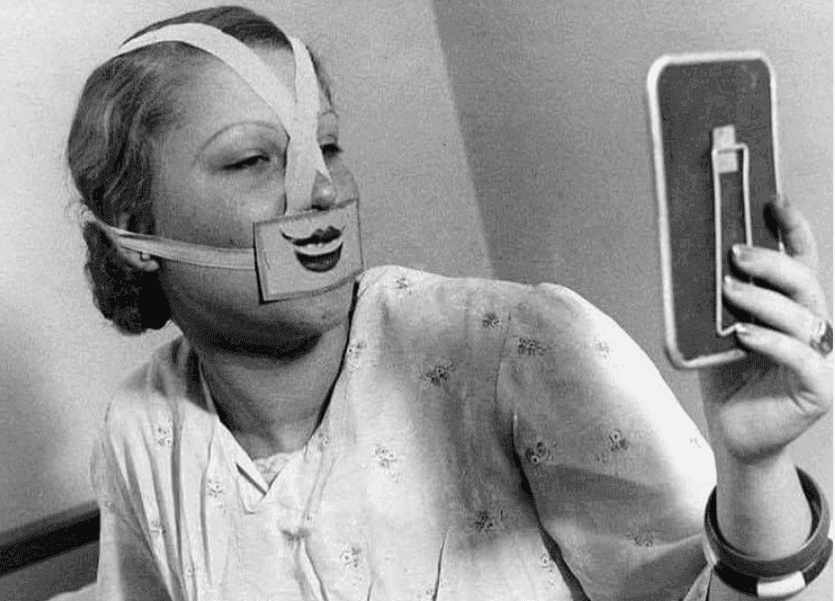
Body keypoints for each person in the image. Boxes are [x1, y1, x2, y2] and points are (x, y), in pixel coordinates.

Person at [69, 6, 832, 601]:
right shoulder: (143, 433)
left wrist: (755, 467)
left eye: (325, 146)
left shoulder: (516, 347)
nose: (322, 190)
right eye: (250, 160)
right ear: (134, 229)